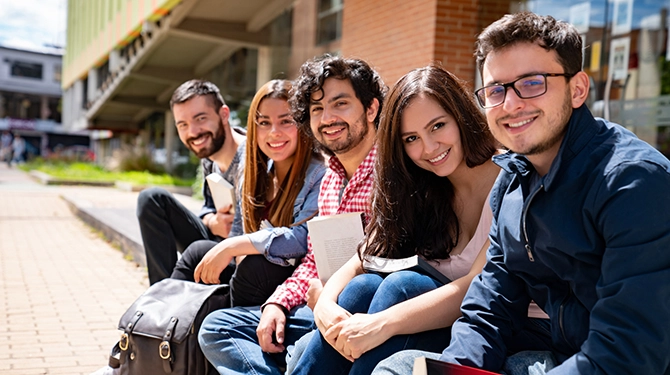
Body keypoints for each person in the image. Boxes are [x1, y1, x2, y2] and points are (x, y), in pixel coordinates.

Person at [374, 12, 670, 375]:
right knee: (398, 369)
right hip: (553, 353)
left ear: (577, 89)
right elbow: (490, 306)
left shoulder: (631, 182)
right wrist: (455, 371)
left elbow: (629, 349)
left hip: (617, 363)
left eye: (532, 83)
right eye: (496, 90)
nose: (511, 105)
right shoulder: (513, 183)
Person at [289, 64, 504, 375]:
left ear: (461, 116)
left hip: (478, 327)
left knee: (403, 285)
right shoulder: (421, 186)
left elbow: (479, 286)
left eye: (437, 126)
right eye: (411, 138)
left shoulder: (509, 180)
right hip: (416, 322)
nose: (428, 148)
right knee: (361, 287)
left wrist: (381, 324)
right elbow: (363, 258)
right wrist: (326, 305)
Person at [197, 55, 386, 375]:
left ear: (371, 109)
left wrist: (324, 297)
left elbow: (387, 267)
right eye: (317, 109)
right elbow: (314, 261)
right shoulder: (331, 179)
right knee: (217, 326)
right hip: (315, 305)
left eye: (340, 104)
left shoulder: (391, 174)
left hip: (363, 314)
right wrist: (278, 303)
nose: (328, 118)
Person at [170, 79, 326, 307]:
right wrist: (230, 248)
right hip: (251, 273)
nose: (274, 132)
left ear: (302, 123)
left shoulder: (319, 174)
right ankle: (156, 328)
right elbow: (237, 232)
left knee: (254, 266)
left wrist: (233, 247)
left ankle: (228, 328)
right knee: (198, 252)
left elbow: (304, 238)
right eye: (264, 122)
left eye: (286, 121)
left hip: (292, 277)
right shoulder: (255, 171)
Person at [136, 79, 246, 285]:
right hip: (217, 241)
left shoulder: (253, 158)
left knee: (198, 251)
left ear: (224, 114)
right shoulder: (209, 157)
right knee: (151, 199)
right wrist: (213, 222)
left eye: (200, 118)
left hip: (244, 259)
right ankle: (160, 289)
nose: (193, 132)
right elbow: (206, 210)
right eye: (183, 125)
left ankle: (168, 299)